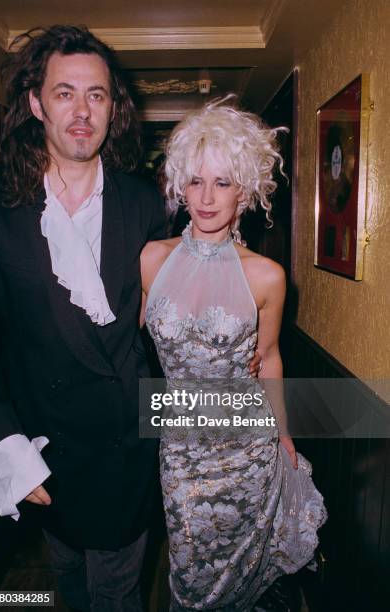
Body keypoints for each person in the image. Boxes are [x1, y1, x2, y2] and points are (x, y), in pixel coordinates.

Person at [0, 24, 169, 611]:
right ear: (37, 103)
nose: (82, 111)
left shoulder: (148, 202)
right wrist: (5, 446)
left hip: (125, 451)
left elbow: (163, 338)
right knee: (69, 581)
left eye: (97, 95)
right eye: (65, 93)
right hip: (43, 448)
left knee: (115, 594)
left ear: (115, 109)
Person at [141, 100, 327, 611]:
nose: (206, 197)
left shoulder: (266, 275)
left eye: (222, 183)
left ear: (245, 191)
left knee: (248, 571)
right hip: (181, 449)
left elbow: (268, 359)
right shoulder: (151, 260)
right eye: (196, 181)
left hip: (248, 448)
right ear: (180, 184)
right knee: (190, 562)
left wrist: (284, 434)